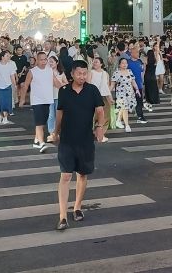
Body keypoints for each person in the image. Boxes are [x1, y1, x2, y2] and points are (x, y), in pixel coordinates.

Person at [54, 60, 105, 231]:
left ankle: (77, 207)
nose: (82, 77)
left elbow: (100, 111)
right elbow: (59, 113)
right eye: (79, 74)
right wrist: (56, 132)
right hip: (67, 140)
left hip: (85, 140)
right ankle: (62, 216)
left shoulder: (92, 91)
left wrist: (99, 128)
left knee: (82, 175)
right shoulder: (64, 91)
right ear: (72, 74)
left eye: (84, 74)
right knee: (66, 176)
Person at [18, 51, 56, 152]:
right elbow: (25, 85)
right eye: (41, 60)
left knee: (43, 121)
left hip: (47, 99)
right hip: (37, 100)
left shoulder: (49, 70)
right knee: (39, 123)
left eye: (45, 59)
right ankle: (41, 143)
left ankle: (36, 140)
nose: (43, 62)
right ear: (37, 60)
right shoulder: (32, 71)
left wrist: (67, 89)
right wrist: (22, 99)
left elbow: (55, 82)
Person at [87, 56, 112, 140]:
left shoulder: (105, 73)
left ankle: (100, 134)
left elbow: (107, 86)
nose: (94, 63)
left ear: (101, 64)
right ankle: (92, 132)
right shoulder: (91, 72)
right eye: (94, 62)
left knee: (105, 115)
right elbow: (88, 84)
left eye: (96, 62)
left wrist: (110, 98)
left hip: (104, 96)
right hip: (93, 96)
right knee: (94, 115)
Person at [110, 57, 138, 132]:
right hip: (121, 93)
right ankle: (127, 125)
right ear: (119, 64)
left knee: (124, 108)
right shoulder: (116, 73)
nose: (124, 64)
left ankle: (118, 120)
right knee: (124, 108)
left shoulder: (129, 71)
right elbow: (112, 85)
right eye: (123, 63)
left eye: (126, 63)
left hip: (129, 93)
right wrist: (108, 94)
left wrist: (137, 89)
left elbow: (133, 81)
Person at [0, 50, 17, 124]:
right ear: (2, 57)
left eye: (9, 55)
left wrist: (14, 84)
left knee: (7, 103)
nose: (8, 57)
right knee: (0, 103)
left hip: (7, 87)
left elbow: (12, 76)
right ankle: (0, 116)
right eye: (7, 55)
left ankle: (5, 118)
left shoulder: (10, 65)